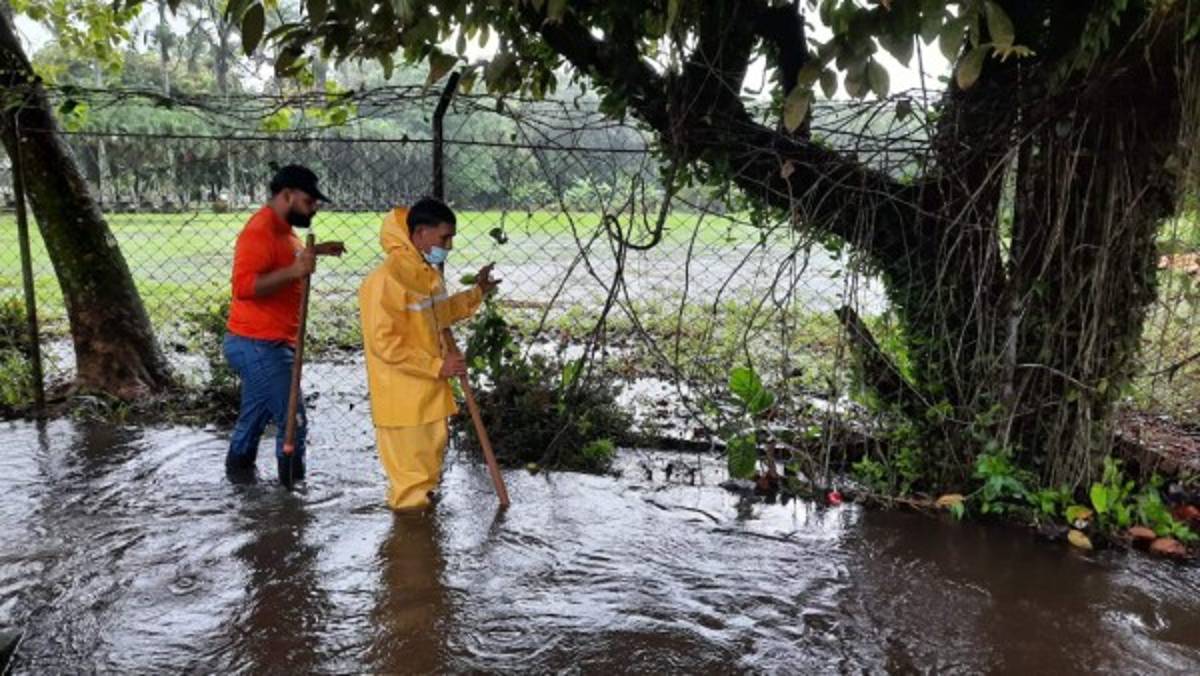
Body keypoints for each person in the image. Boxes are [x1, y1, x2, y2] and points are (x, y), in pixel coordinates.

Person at [358, 197, 499, 510]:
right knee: (411, 489)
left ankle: (422, 547)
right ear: (420, 233)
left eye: (450, 239)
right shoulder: (385, 280)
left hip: (428, 396)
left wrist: (477, 293)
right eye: (443, 238)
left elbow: (439, 315)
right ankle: (410, 550)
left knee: (427, 480)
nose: (447, 246)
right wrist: (437, 365)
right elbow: (385, 343)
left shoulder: (425, 274)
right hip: (404, 402)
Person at [224, 165, 345, 487]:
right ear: (286, 195)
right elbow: (244, 287)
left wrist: (314, 252)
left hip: (267, 342)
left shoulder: (284, 231)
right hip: (258, 344)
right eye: (309, 201)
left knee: (253, 419)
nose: (315, 207)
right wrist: (295, 271)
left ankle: (239, 486)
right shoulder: (260, 231)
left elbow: (284, 261)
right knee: (294, 423)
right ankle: (292, 503)